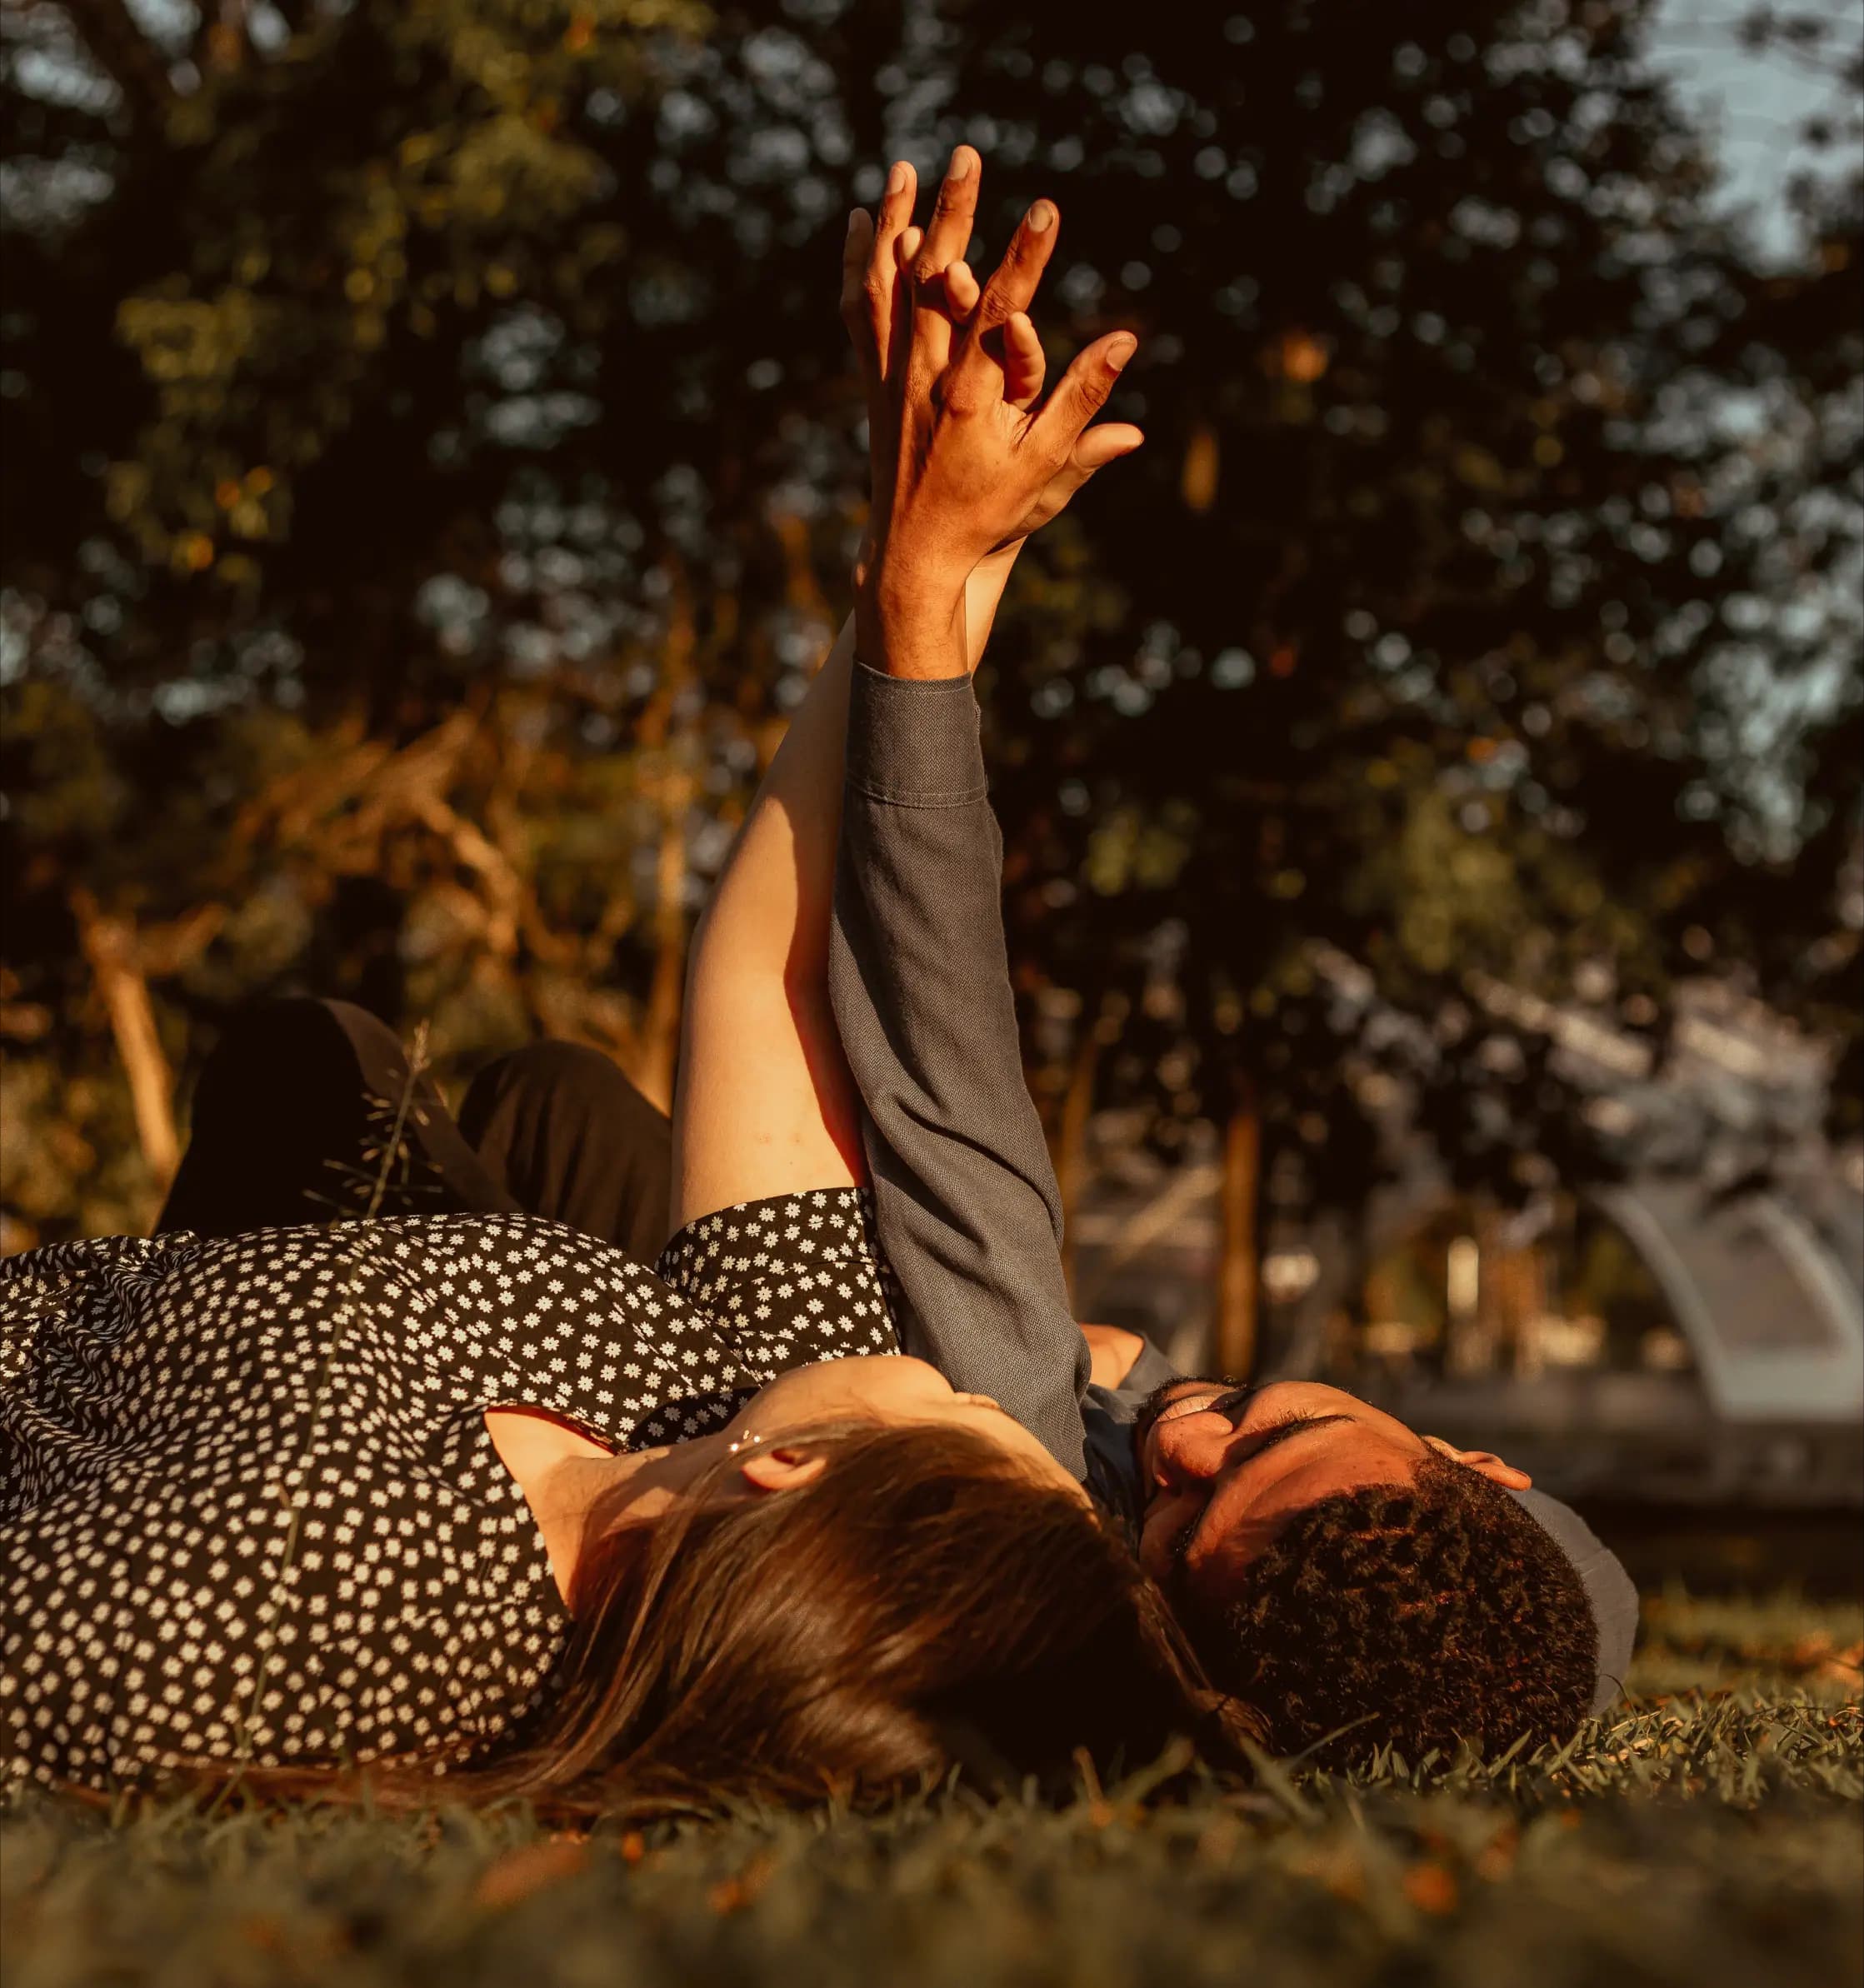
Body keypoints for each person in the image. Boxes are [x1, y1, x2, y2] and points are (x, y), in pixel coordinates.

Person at [0, 165, 1232, 1811]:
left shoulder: (360, 1603)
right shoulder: (745, 1390)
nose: (966, 1366)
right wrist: (923, 552)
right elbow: (761, 976)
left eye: (968, 1407)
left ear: (795, 1478)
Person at [820, 150, 1640, 1766]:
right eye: (1269, 1424)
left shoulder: (1041, 1486)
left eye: (1181, 1506)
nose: (1185, 1429)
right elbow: (1580, 1598)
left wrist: (920, 588)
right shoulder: (1517, 1618)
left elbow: (953, 1091)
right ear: (1487, 1471)